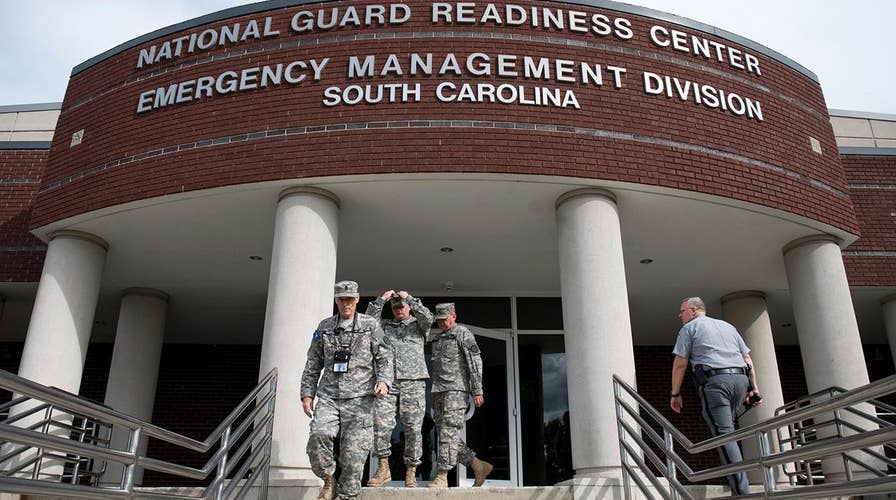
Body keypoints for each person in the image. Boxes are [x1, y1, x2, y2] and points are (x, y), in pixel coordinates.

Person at [301, 281, 394, 500]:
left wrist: (384, 382)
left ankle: (346, 495)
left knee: (353, 458)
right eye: (342, 300)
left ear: (357, 299)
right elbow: (313, 362)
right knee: (318, 435)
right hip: (329, 396)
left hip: (361, 399)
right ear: (336, 300)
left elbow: (385, 357)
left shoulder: (370, 325)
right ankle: (329, 480)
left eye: (350, 299)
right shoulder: (324, 327)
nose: (346, 304)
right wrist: (307, 393)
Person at [670, 297, 761, 497]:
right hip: (740, 380)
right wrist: (753, 388)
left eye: (682, 311)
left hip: (716, 382)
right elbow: (747, 359)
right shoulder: (728, 327)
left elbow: (680, 363)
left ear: (693, 310)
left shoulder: (689, 328)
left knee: (725, 434)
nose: (680, 315)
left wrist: (675, 393)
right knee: (729, 432)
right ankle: (739, 483)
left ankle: (741, 492)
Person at [365, 290, 434, 488]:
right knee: (381, 424)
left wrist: (410, 298)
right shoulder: (385, 326)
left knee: (413, 428)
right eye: (395, 307)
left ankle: (411, 471)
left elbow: (428, 317)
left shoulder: (419, 325)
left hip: (413, 382)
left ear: (408, 307)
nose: (399, 310)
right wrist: (382, 300)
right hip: (388, 382)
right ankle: (383, 467)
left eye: (402, 306)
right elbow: (369, 321)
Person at [426, 302, 493, 488]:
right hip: (439, 392)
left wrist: (477, 390)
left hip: (456, 391)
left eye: (445, 319)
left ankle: (442, 476)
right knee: (445, 436)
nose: (441, 323)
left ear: (454, 316)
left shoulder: (462, 334)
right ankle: (478, 465)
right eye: (438, 320)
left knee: (448, 433)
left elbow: (475, 362)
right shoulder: (439, 339)